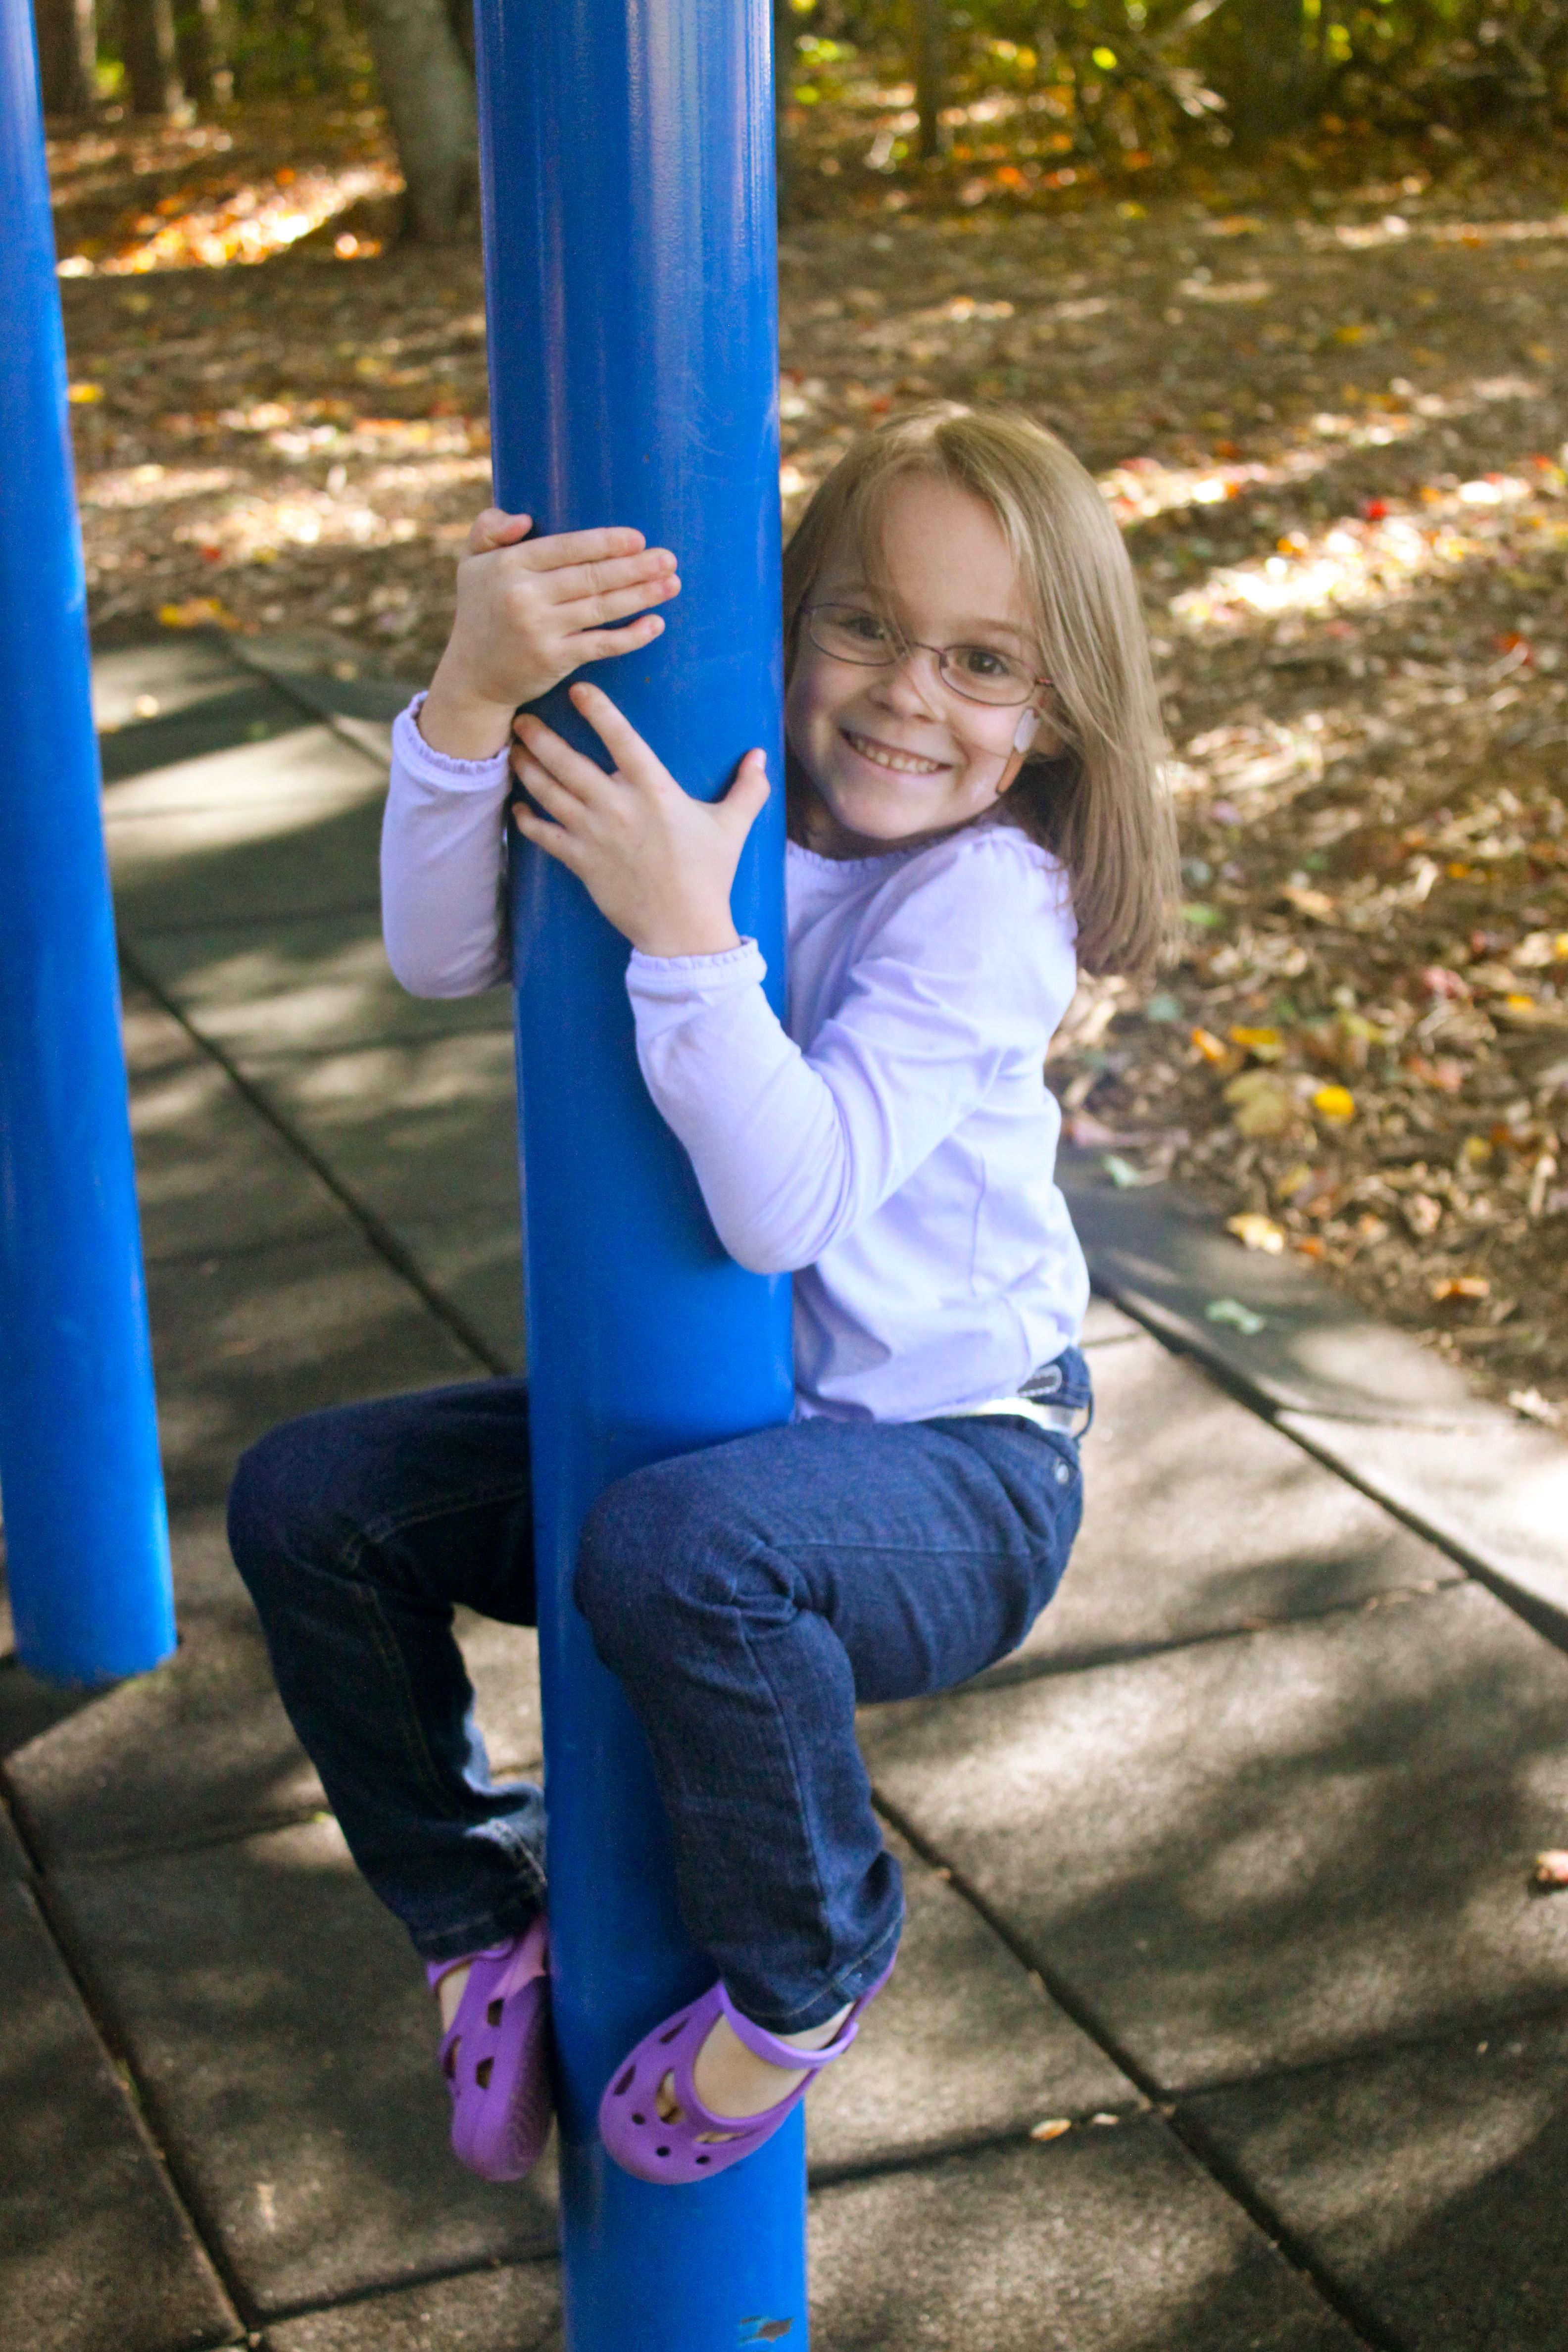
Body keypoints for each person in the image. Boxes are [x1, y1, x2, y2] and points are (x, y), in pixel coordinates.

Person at [228, 404, 1176, 2189]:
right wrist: (466, 700)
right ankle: (478, 1911)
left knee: (677, 1551)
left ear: (1056, 715)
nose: (910, 694)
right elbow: (444, 948)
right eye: (867, 626)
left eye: (984, 663)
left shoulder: (988, 898)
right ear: (787, 616)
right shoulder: (703, 786)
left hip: (961, 1468)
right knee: (313, 1503)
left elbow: (787, 1203)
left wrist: (685, 927)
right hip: (726, 1444)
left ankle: (813, 1963)